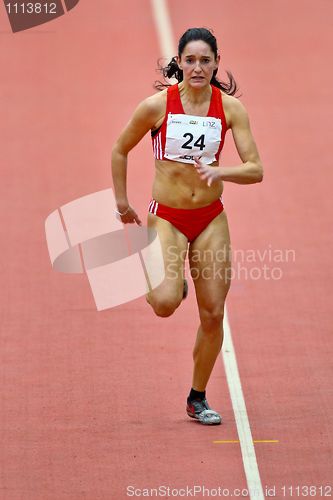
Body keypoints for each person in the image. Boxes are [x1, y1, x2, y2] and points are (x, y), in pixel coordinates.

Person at [111, 27, 263, 425]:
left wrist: (220, 171)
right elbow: (119, 149)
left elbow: (256, 169)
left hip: (210, 219)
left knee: (213, 314)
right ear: (179, 63)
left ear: (216, 63)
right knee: (163, 304)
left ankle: (198, 397)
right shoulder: (156, 107)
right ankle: (165, 275)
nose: (198, 67)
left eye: (205, 60)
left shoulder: (230, 110)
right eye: (190, 60)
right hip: (168, 216)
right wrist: (122, 202)